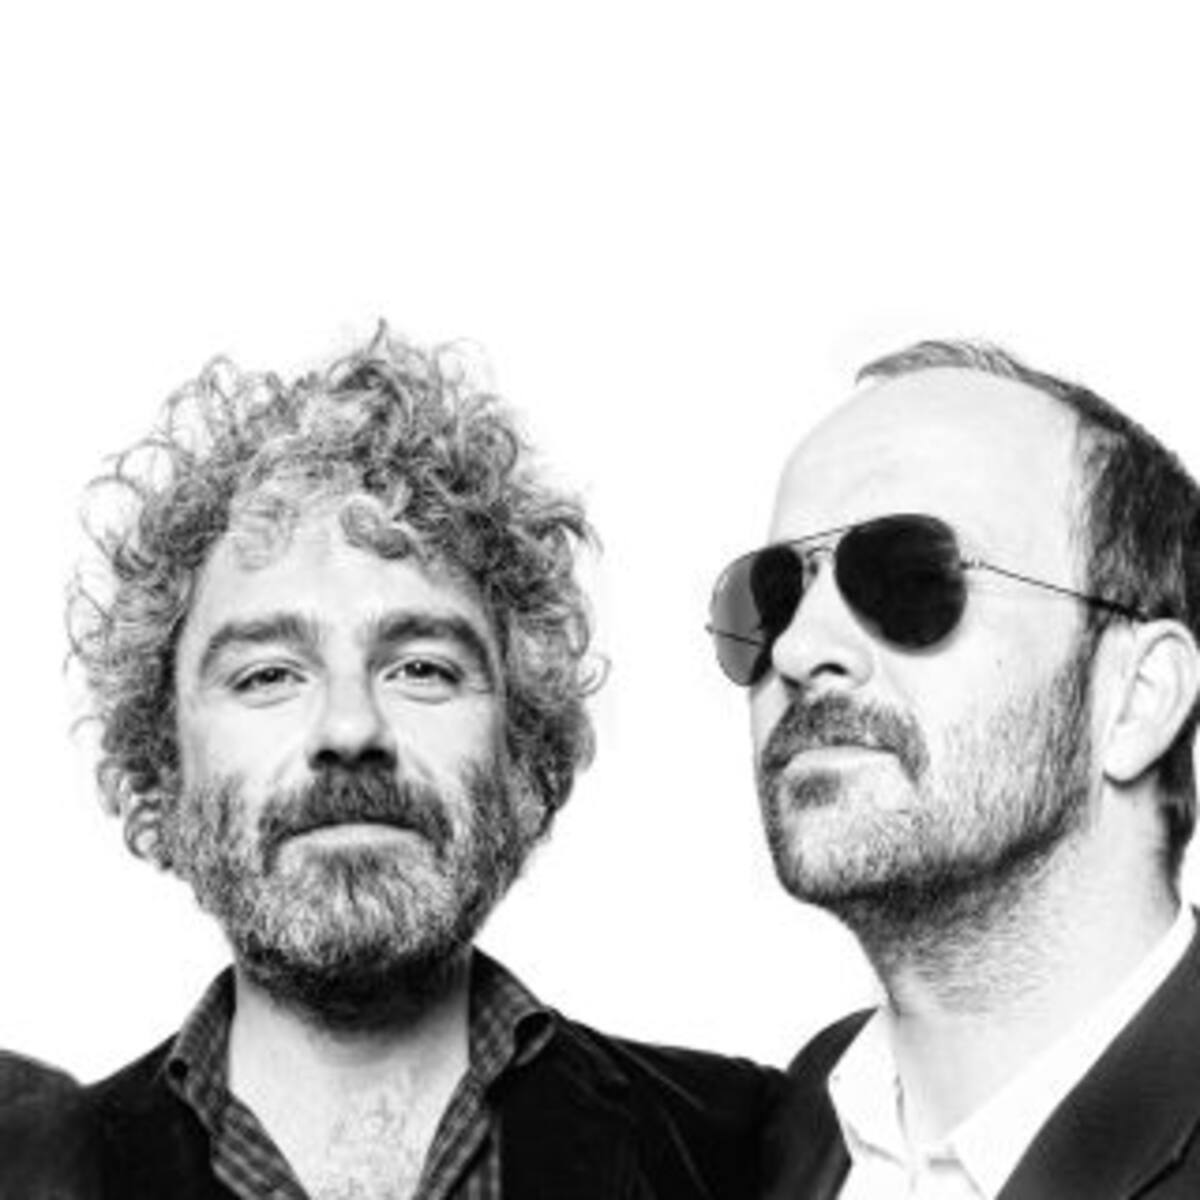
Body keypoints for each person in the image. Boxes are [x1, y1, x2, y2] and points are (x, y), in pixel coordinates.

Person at [0, 327, 775, 1198]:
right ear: (160, 771)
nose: (350, 727)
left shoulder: (758, 1152)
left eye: (421, 669)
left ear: (525, 758)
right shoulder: (25, 1175)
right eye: (267, 675)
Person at [706, 340, 1200, 1198]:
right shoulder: (771, 1133)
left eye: (911, 576)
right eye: (773, 593)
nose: (797, 647)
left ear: (1137, 698)